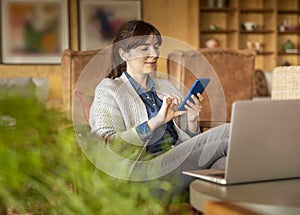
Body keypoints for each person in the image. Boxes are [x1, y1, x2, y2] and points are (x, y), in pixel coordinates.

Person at [89, 20, 229, 201]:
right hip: (139, 174)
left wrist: (193, 121)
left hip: (175, 166)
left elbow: (188, 144)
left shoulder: (166, 86)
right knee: (229, 132)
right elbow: (111, 146)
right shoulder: (109, 90)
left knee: (224, 165)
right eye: (145, 48)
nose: (154, 54)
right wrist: (156, 121)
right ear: (123, 54)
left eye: (156, 47)